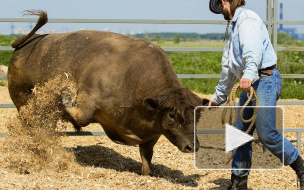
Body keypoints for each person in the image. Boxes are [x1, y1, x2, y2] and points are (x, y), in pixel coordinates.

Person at [208, 0, 304, 189]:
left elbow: (253, 51)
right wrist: (216, 98)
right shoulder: (234, 27)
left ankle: (301, 167)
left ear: (224, 2)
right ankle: (238, 184)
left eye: (219, 7)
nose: (220, 11)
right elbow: (229, 70)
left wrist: (249, 75)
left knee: (267, 133)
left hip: (265, 79)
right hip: (252, 82)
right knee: (239, 134)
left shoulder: (247, 20)